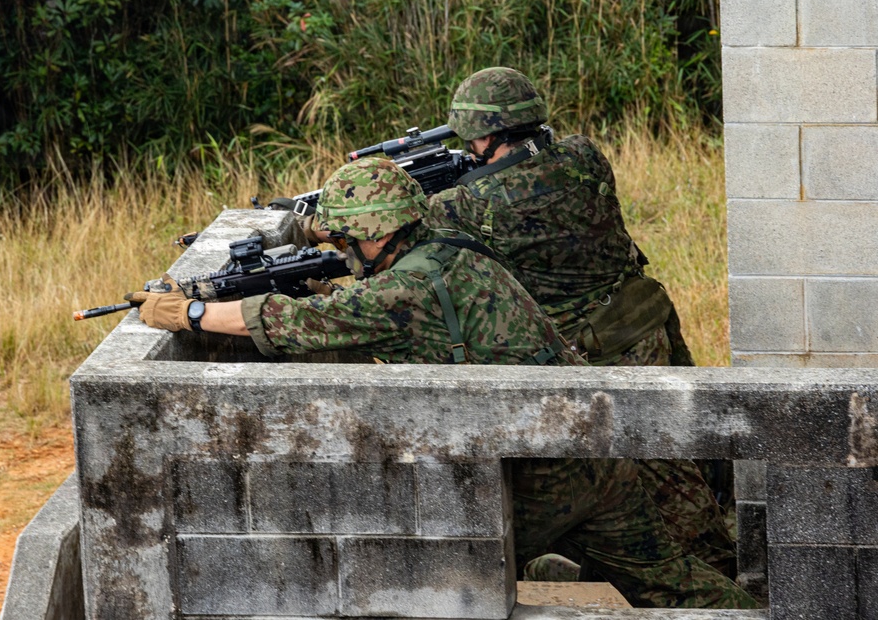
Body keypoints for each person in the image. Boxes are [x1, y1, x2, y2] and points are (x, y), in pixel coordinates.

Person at [130, 156, 755, 609]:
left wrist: (186, 312)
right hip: (591, 455)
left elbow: (298, 322)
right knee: (670, 580)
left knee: (433, 576)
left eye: (349, 239)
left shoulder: (407, 288)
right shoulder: (459, 250)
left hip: (535, 476)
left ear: (377, 233)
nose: (344, 250)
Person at [430, 66, 739, 581]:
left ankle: (722, 580)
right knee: (686, 455)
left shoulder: (464, 204)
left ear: (485, 135)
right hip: (648, 319)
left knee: (660, 476)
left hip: (602, 353)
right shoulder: (584, 154)